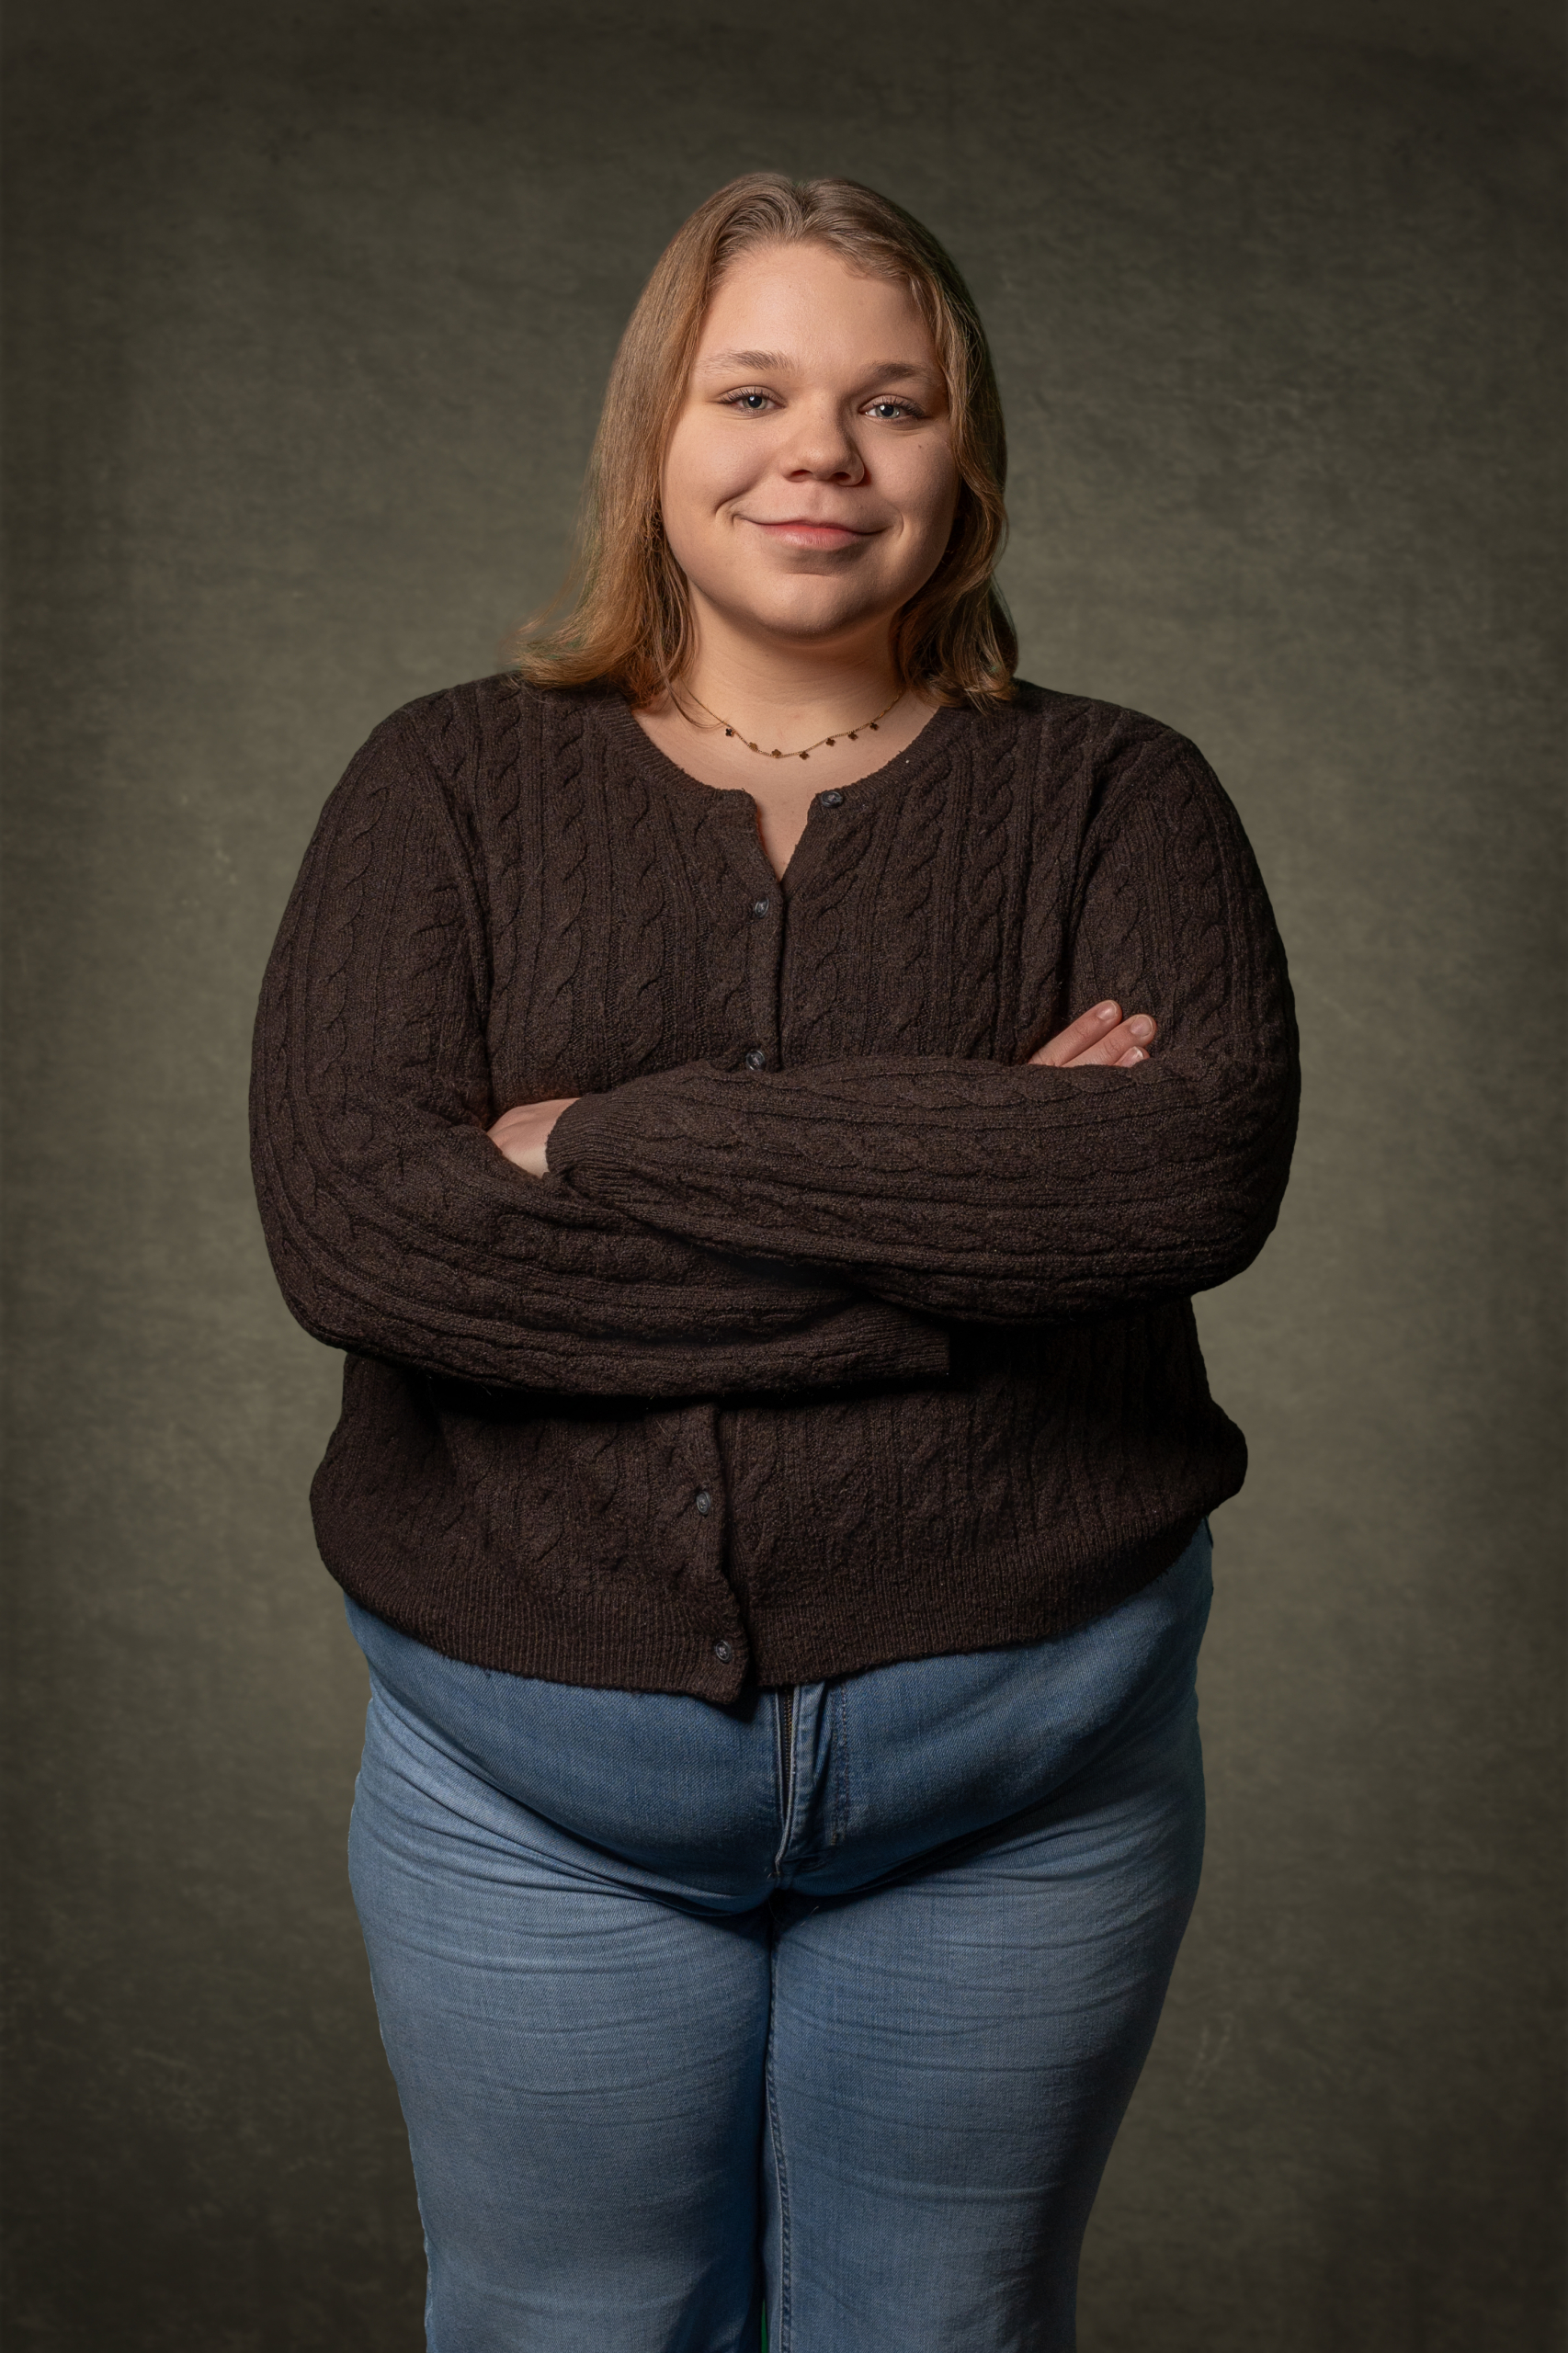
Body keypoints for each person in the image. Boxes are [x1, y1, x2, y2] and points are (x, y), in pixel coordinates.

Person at [250, 173, 1298, 2353]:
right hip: (527, 1792)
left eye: (888, 400)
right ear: (657, 434)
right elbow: (366, 1228)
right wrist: (972, 1221)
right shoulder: (440, 782)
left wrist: (607, 1140)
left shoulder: (1124, 798)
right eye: (754, 388)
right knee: (565, 2323)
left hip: (1022, 1776)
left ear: (965, 459)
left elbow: (1178, 1182)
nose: (818, 450)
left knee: (944, 2323)